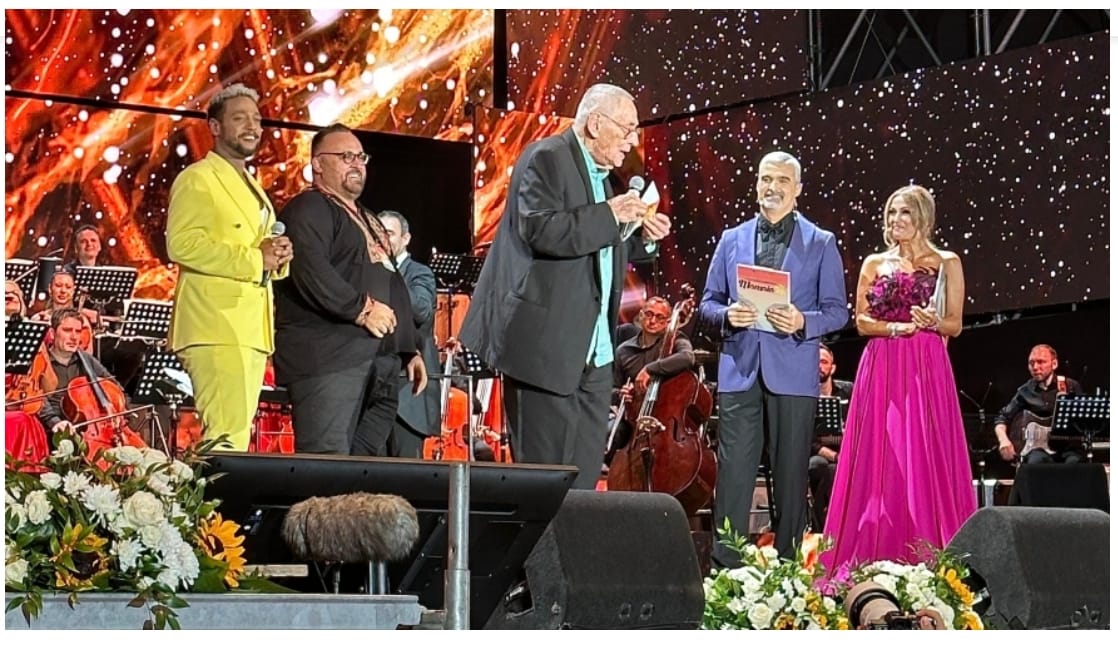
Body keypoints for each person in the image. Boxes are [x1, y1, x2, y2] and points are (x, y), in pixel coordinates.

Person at [459, 83, 671, 489]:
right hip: (545, 352)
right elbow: (542, 230)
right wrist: (611, 215)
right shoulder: (546, 157)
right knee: (543, 484)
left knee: (583, 485)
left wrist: (642, 237)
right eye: (626, 129)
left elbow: (598, 246)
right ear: (595, 123)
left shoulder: (602, 178)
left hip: (593, 356)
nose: (632, 141)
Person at [698, 150, 848, 562]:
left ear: (797, 189)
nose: (772, 187)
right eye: (766, 179)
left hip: (793, 375)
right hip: (740, 372)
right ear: (756, 185)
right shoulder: (732, 239)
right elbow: (707, 304)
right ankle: (726, 572)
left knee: (790, 479)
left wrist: (802, 320)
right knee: (733, 479)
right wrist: (727, 315)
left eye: (782, 180)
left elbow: (837, 312)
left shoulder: (820, 242)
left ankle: (787, 572)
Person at [822, 184, 976, 568]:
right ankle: (873, 547)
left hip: (926, 363)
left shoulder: (946, 262)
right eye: (891, 212)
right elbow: (861, 321)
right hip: (883, 363)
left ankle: (930, 548)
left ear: (923, 216)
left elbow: (954, 324)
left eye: (904, 212)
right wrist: (896, 328)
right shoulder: (875, 263)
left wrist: (932, 321)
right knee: (882, 450)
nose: (895, 220)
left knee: (925, 448)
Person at [273, 124, 427, 456]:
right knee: (327, 463)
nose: (356, 164)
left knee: (365, 468)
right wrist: (362, 309)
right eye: (345, 157)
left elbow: (393, 282)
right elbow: (310, 270)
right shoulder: (308, 208)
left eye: (360, 157)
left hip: (379, 365)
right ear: (317, 163)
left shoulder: (368, 218)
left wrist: (408, 349)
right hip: (329, 361)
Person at [165, 83, 293, 451]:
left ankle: (218, 492)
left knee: (234, 435)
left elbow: (258, 249)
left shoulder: (251, 184)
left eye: (256, 119)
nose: (252, 126)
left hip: (247, 327)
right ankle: (210, 493)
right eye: (240, 118)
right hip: (216, 323)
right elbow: (182, 244)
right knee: (226, 437)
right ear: (215, 127)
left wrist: (277, 257)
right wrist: (256, 259)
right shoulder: (198, 178)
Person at [378, 210, 441, 458]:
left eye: (390, 233)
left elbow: (421, 311)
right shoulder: (370, 271)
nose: (383, 239)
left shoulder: (419, 273)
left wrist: (389, 273)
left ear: (405, 239)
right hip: (376, 392)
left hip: (408, 394)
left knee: (405, 472)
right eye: (379, 233)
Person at [606, 296, 695, 464]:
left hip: (666, 422)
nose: (653, 321)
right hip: (633, 421)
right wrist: (621, 394)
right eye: (649, 314)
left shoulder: (676, 340)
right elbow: (610, 390)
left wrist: (650, 369)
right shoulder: (623, 351)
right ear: (640, 315)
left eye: (660, 317)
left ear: (668, 321)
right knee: (609, 433)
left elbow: (687, 357)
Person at [992, 344, 1084, 464]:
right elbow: (1002, 418)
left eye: (1041, 362)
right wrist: (1003, 440)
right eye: (1031, 363)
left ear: (1054, 364)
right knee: (1036, 462)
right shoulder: (1025, 390)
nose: (1035, 367)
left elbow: (1083, 420)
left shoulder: (1070, 386)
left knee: (1074, 464)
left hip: (1068, 448)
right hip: (1037, 451)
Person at [809, 343, 853, 532]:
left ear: (832, 368)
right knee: (820, 465)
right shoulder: (804, 396)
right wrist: (835, 456)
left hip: (846, 452)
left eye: (824, 362)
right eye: (815, 362)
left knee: (834, 470)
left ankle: (836, 524)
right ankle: (823, 525)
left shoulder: (848, 391)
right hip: (819, 454)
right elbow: (808, 440)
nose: (819, 366)